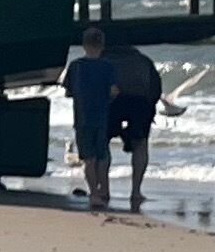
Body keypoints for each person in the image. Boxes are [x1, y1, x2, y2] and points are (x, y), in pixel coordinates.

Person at [60, 24, 119, 212]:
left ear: (84, 45)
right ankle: (103, 190)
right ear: (102, 46)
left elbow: (68, 91)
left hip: (82, 118)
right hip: (101, 117)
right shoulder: (108, 66)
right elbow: (113, 91)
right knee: (101, 157)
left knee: (89, 159)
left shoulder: (76, 66)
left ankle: (94, 193)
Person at [107, 30, 164, 212]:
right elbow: (155, 91)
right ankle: (136, 191)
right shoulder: (144, 61)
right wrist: (150, 115)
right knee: (141, 145)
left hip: (112, 103)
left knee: (103, 144)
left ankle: (103, 188)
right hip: (140, 103)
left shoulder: (103, 60)